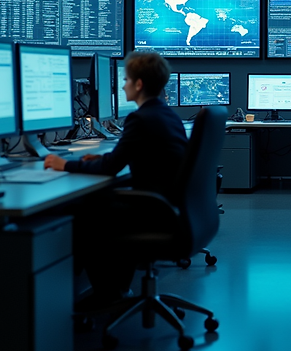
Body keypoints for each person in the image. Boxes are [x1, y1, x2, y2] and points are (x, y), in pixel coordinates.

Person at [44, 51, 188, 308]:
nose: (122, 86)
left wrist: (64, 164)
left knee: (79, 211)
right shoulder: (166, 114)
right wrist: (98, 160)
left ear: (139, 84)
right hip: (170, 207)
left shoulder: (140, 118)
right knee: (94, 204)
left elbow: (111, 168)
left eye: (126, 80)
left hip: (153, 211)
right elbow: (125, 157)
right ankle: (115, 288)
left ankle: (99, 295)